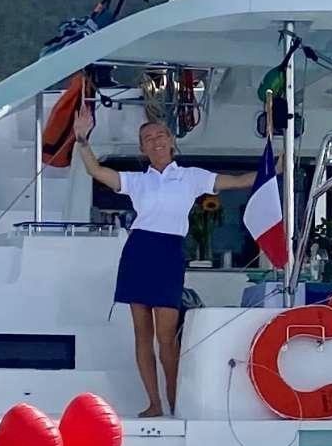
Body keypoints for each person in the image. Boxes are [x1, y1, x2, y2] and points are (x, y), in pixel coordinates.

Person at [77, 115, 256, 418]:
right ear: (142, 148)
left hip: (169, 252)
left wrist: (274, 169)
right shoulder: (138, 181)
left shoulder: (191, 177)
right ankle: (154, 402)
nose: (156, 141)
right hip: (139, 251)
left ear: (171, 141)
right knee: (142, 333)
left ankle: (175, 401)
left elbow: (237, 181)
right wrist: (82, 140)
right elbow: (95, 170)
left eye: (160, 135)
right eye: (148, 138)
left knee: (166, 336)